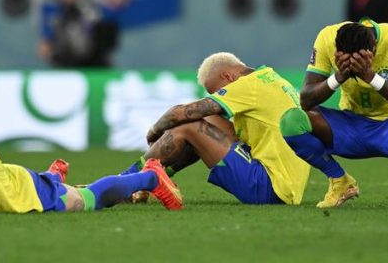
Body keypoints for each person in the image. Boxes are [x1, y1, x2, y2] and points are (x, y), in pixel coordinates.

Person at [125, 52, 310, 206]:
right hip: (286, 185)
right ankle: (150, 180)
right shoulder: (273, 80)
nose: (218, 97)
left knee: (190, 125)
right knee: (207, 123)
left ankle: (128, 181)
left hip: (269, 188)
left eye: (217, 92)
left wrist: (153, 131)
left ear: (228, 77)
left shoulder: (248, 85)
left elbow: (179, 114)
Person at [288, 19, 388, 209]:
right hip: (347, 126)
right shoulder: (327, 37)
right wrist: (339, 76)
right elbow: (306, 100)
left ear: (373, 50)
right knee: (292, 121)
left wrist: (370, 76)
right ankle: (339, 180)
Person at [0, 122, 182, 213]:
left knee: (90, 200)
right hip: (10, 183)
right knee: (75, 193)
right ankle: (55, 176)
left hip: (25, 193)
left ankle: (150, 177)